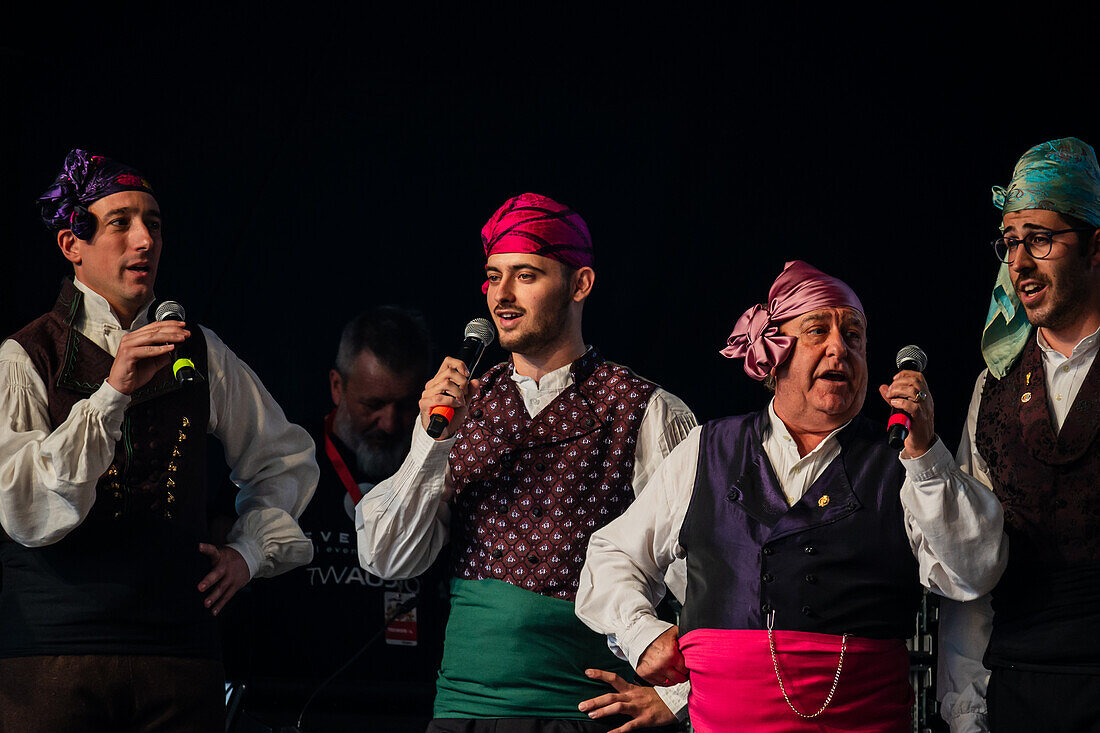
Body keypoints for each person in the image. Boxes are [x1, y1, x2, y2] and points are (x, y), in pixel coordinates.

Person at [575, 260, 1007, 732]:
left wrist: (925, 457)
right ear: (774, 351)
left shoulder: (904, 464)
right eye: (818, 331)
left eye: (855, 336)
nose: (840, 349)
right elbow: (612, 554)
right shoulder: (706, 450)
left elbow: (974, 572)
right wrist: (642, 633)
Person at [0, 149, 319, 731]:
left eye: (153, 223)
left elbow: (285, 458)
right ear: (73, 244)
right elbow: (23, 511)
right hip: (53, 658)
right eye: (121, 222)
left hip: (178, 657)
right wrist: (111, 393)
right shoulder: (26, 356)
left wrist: (248, 553)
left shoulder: (201, 351)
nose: (144, 240)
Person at [357, 193, 697, 732]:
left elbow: (707, 572)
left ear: (580, 284)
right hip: (465, 712)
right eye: (493, 277)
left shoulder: (644, 410)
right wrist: (429, 441)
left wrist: (683, 697)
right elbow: (385, 558)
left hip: (583, 712)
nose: (502, 296)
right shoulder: (463, 406)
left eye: (526, 275)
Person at [936, 137, 1100, 732]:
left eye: (1041, 239)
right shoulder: (993, 390)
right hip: (1018, 694)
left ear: (1095, 247)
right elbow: (970, 584)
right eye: (1010, 243)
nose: (1020, 264)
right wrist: (965, 713)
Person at [223, 306, 446, 732]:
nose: (390, 422)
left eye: (404, 405)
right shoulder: (286, 462)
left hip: (411, 709)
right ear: (337, 386)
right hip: (290, 708)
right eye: (373, 404)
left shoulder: (434, 468)